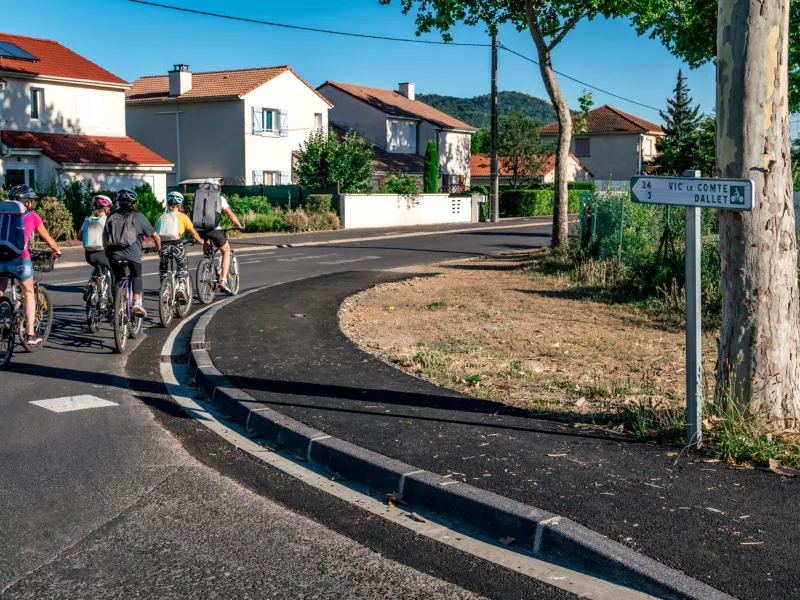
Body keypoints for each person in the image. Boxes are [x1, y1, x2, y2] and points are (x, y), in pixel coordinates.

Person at [0, 185, 62, 348]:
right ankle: (30, 335)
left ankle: (2, 315)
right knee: (28, 292)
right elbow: (48, 238)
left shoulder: (1, 215)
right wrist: (56, 250)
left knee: (0, 290)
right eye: (31, 201)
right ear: (26, 203)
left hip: (0, 257)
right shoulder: (32, 216)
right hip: (20, 259)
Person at [103, 189, 161, 318]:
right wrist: (157, 248)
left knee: (118, 277)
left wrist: (106, 249)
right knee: (136, 276)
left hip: (114, 253)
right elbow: (156, 237)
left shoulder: (111, 215)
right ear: (133, 203)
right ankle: (137, 302)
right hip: (133, 254)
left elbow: (104, 235)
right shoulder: (138, 216)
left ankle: (117, 306)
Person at [197, 178, 244, 295]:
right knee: (226, 251)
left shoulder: (198, 197)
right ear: (216, 187)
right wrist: (238, 225)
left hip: (198, 229)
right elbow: (230, 214)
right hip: (213, 229)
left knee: (207, 249)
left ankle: (207, 267)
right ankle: (223, 280)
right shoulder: (219, 198)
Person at [158, 191, 203, 303]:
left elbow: (156, 233)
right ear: (180, 205)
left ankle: (165, 288)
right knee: (182, 265)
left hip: (163, 246)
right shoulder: (183, 217)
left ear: (168, 204)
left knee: (163, 268)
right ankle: (182, 286)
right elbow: (193, 233)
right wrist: (200, 241)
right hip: (177, 245)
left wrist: (156, 247)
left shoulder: (161, 216)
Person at [78, 195, 114, 299]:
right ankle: (114, 296)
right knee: (114, 270)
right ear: (106, 209)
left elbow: (79, 237)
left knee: (98, 267)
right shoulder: (108, 220)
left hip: (89, 256)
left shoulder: (87, 220)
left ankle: (90, 285)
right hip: (103, 255)